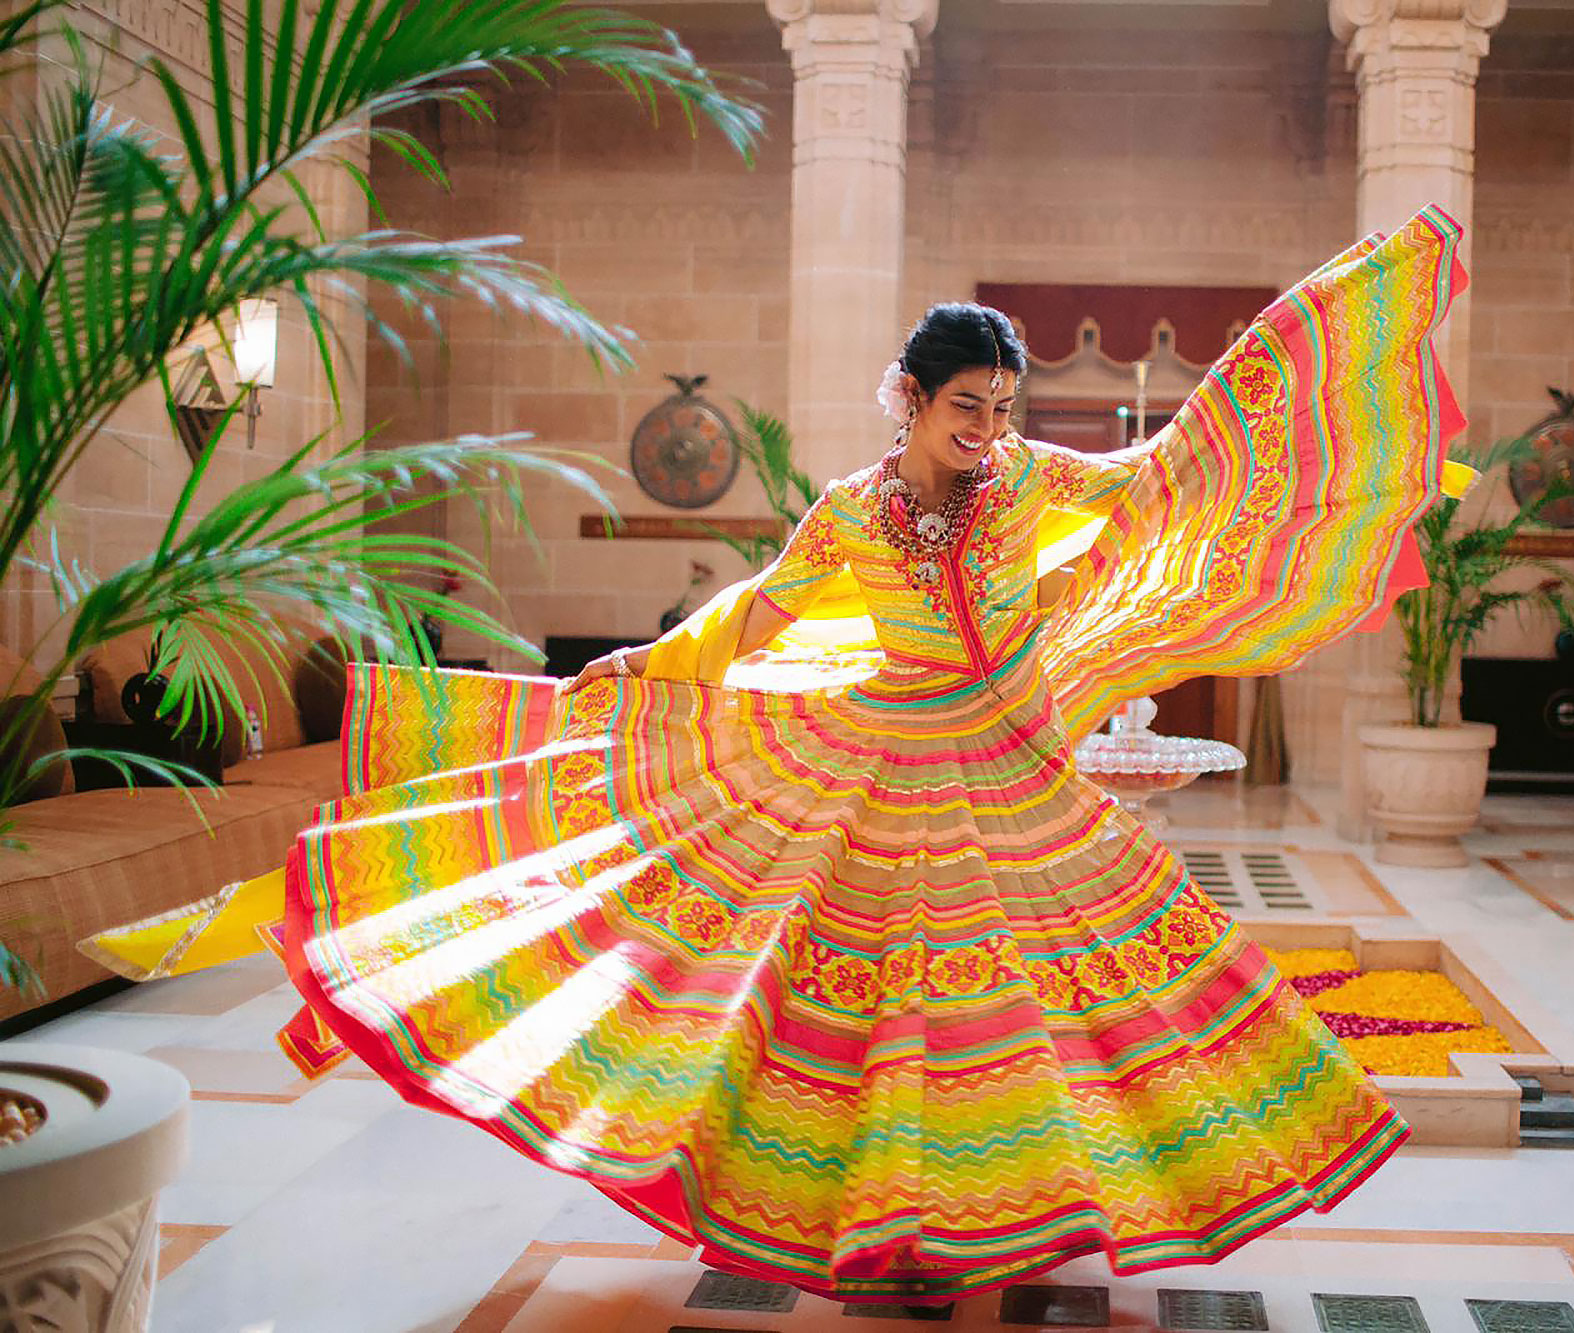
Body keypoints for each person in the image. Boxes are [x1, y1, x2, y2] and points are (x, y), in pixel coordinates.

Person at [84, 209, 1473, 1302]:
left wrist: (1273, 373)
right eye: (964, 409)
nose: (988, 433)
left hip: (1010, 766)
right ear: (909, 402)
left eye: (1002, 406)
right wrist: (635, 670)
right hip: (874, 769)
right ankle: (888, 1220)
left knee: (1060, 990)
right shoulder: (851, 516)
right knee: (869, 1013)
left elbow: (1153, 480)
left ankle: (1016, 1208)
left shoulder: (1037, 480)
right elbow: (756, 616)